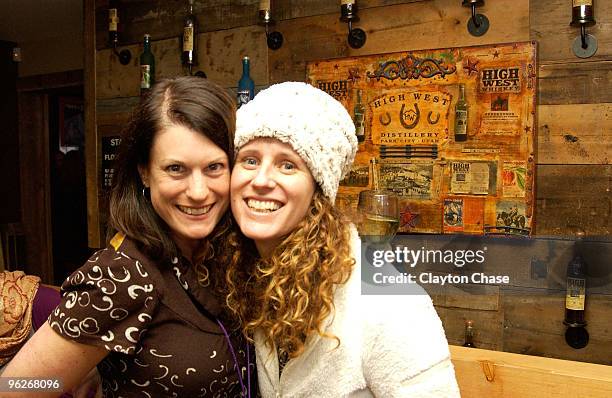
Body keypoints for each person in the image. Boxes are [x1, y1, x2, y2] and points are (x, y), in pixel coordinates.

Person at [2, 77, 253, 398]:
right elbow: (14, 387)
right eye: (176, 169)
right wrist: (69, 377)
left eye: (214, 167)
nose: (199, 191)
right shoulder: (122, 274)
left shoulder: (220, 252)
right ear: (144, 172)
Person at [225, 82, 460, 397]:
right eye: (250, 160)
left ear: (318, 190)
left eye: (287, 165)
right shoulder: (252, 275)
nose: (262, 180)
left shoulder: (389, 302)